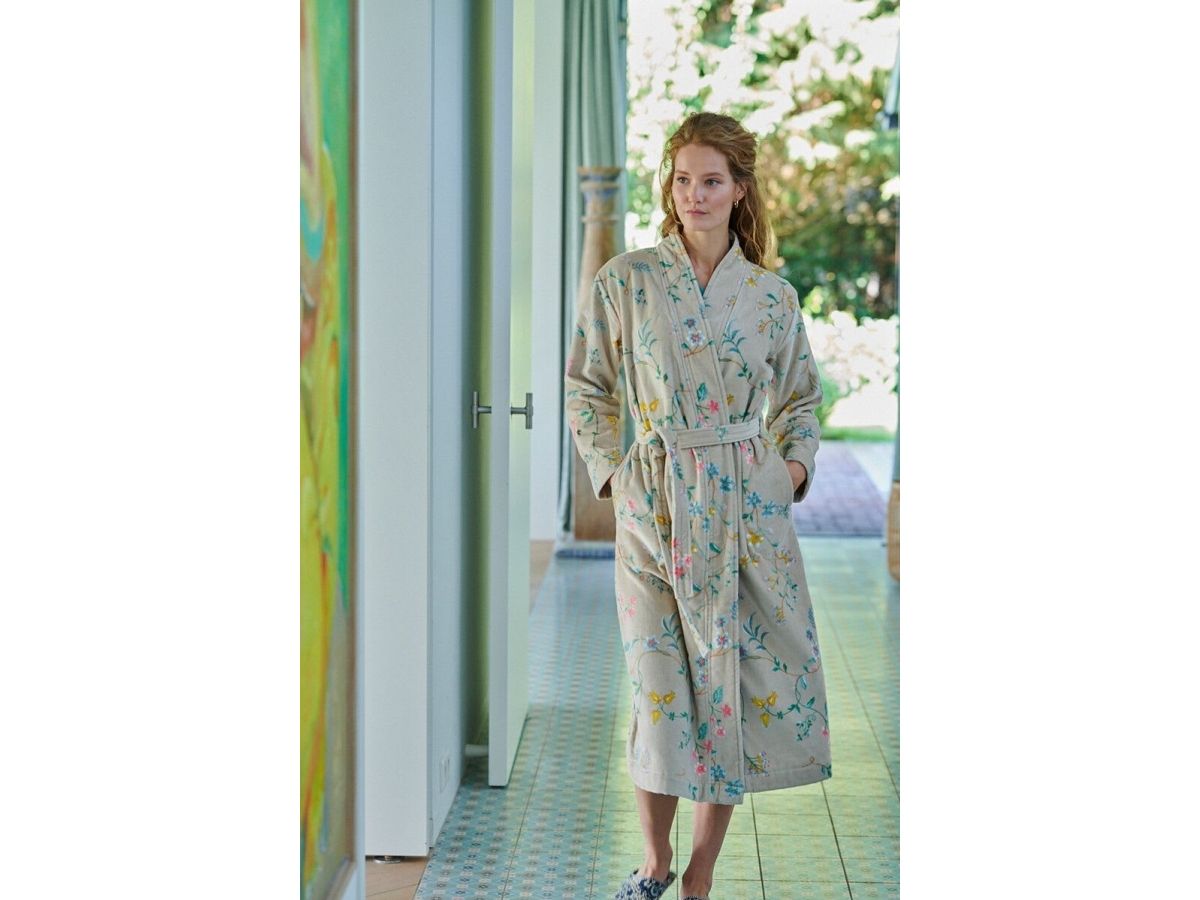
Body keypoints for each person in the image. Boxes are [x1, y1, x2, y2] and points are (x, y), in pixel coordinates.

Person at [564, 111, 832, 900]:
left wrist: (788, 471)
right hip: (656, 510)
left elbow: (802, 399)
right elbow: (587, 387)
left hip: (747, 513)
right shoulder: (626, 281)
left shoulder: (772, 298)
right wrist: (617, 476)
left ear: (740, 189)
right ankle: (654, 862)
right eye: (683, 180)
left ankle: (700, 875)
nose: (694, 195)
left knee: (728, 694)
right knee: (659, 692)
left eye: (711, 181)